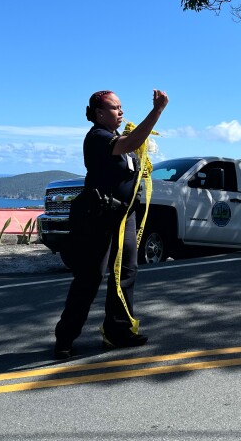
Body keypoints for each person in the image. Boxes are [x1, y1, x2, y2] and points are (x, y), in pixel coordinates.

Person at [53, 89, 168, 359]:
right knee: (89, 278)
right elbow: (128, 145)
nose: (121, 112)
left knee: (126, 273)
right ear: (99, 113)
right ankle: (65, 338)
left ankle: (118, 332)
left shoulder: (117, 137)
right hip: (99, 217)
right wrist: (157, 111)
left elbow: (133, 155)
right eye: (115, 108)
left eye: (121, 107)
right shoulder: (97, 137)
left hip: (124, 216)